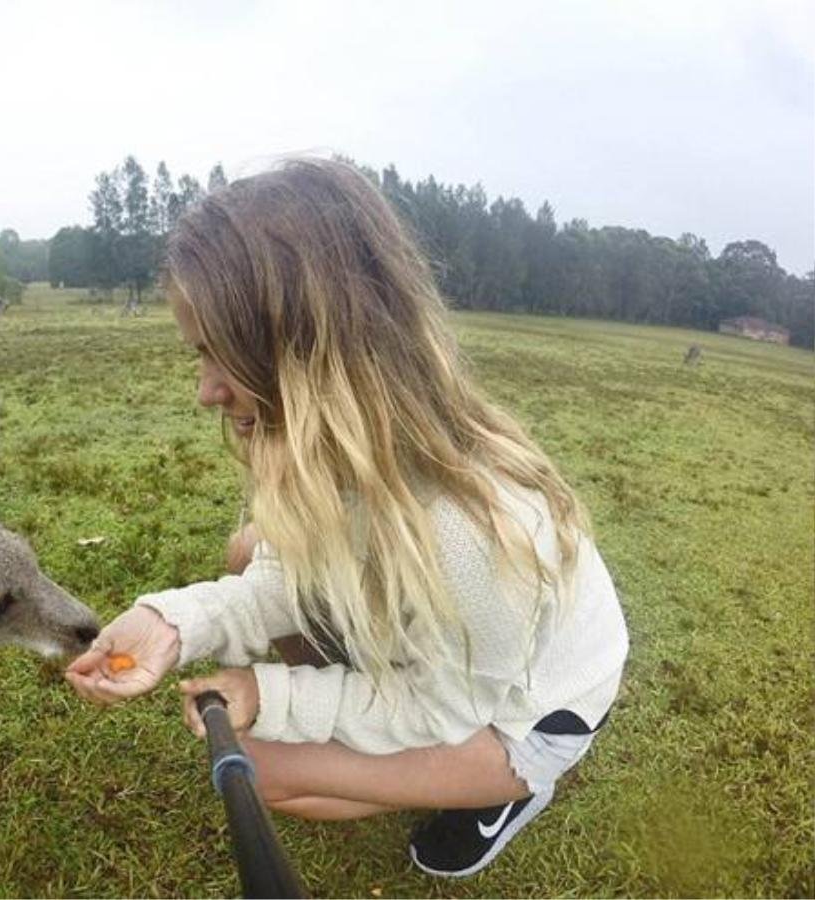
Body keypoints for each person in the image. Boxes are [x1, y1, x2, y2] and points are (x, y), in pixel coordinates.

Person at [65, 158, 629, 878]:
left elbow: (441, 709)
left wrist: (269, 694)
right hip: (450, 660)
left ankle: (504, 791)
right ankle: (377, 723)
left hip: (523, 712)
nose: (205, 391)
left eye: (222, 357)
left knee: (266, 773)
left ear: (308, 356)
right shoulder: (322, 449)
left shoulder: (474, 534)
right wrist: (175, 625)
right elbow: (277, 581)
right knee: (252, 549)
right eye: (199, 355)